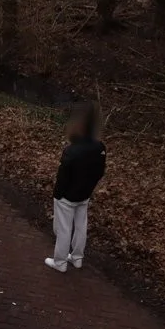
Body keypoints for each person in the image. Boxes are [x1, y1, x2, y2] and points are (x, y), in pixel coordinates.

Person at [44, 102, 106, 273]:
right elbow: (100, 172)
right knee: (80, 226)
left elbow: (63, 176)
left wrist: (58, 194)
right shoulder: (100, 148)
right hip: (84, 194)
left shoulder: (72, 151)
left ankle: (60, 262)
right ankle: (77, 258)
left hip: (67, 196)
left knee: (64, 229)